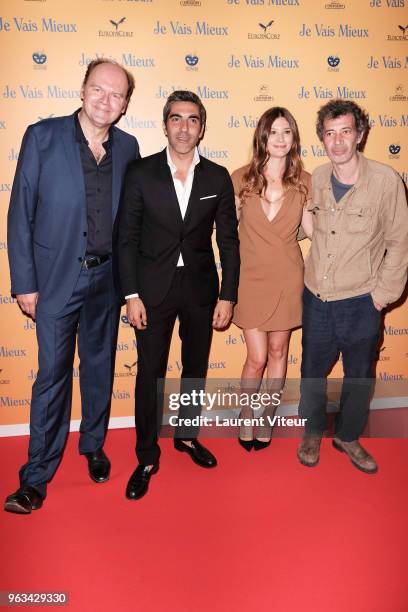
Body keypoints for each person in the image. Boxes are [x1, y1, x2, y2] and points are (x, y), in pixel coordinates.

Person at [5, 59, 140, 514]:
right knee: (52, 378)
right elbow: (19, 212)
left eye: (116, 95)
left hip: (108, 280)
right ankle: (35, 477)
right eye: (99, 90)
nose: (106, 100)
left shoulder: (129, 148)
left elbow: (133, 224)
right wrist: (24, 281)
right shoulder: (42, 137)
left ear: (124, 106)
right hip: (57, 279)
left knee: (100, 369)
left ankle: (94, 446)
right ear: (82, 91)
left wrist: (133, 285)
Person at [118, 90, 239, 500]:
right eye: (176, 118)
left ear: (201, 127)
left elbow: (229, 242)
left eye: (192, 119)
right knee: (150, 372)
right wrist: (131, 294)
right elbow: (126, 239)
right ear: (165, 123)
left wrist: (228, 295)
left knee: (195, 368)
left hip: (201, 290)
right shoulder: (141, 173)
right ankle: (146, 455)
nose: (184, 127)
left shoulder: (217, 177)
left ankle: (186, 436)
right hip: (151, 289)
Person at [297, 99, 408, 473]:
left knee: (359, 376)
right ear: (322, 140)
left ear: (359, 135)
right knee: (312, 371)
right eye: (330, 134)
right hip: (316, 298)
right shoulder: (316, 177)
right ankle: (311, 431)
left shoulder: (385, 181)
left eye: (346, 131)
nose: (338, 141)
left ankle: (348, 435)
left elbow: (400, 242)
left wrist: (380, 297)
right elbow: (308, 228)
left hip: (361, 300)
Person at [231, 107, 312, 451]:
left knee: (280, 350)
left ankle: (268, 418)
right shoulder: (240, 178)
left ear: (293, 139)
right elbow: (227, 232)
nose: (280, 139)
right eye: (273, 132)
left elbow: (311, 231)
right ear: (262, 136)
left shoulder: (305, 181)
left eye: (286, 132)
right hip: (249, 278)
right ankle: (246, 415)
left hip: (289, 277)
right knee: (257, 357)